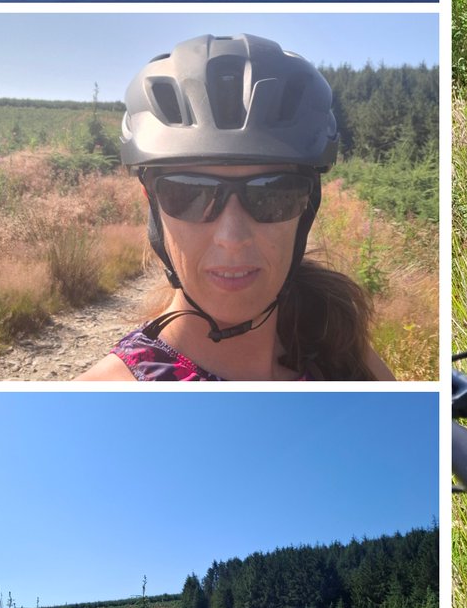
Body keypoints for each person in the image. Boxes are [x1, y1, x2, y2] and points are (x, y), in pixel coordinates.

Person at [78, 33, 393, 381]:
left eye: (272, 194)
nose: (232, 237)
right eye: (189, 194)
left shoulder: (338, 348)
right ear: (152, 205)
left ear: (307, 207)